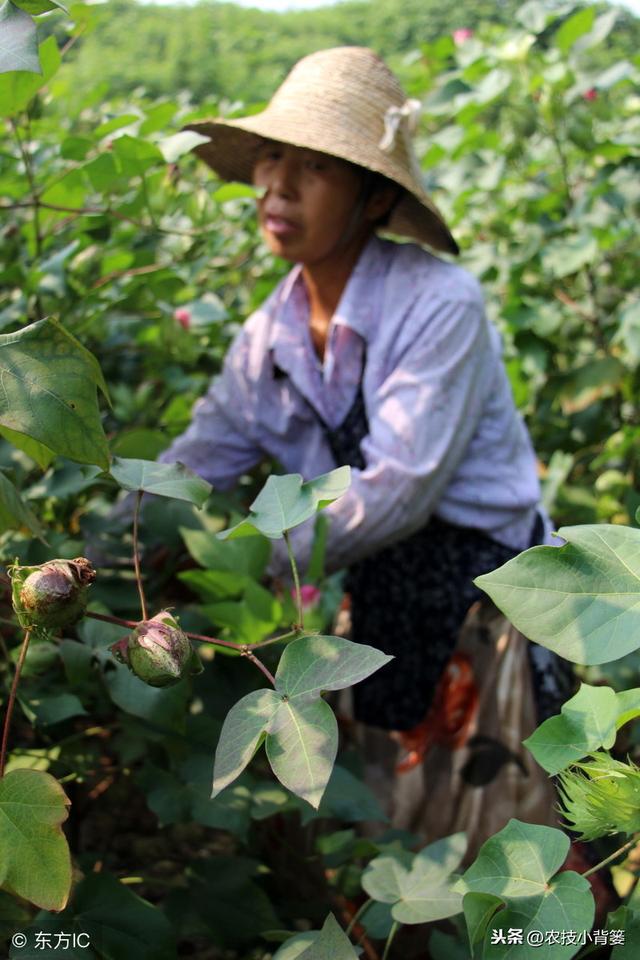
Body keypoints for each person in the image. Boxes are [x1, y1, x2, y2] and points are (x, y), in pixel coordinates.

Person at [162, 47, 573, 851]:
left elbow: (397, 491)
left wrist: (251, 566)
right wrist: (92, 561)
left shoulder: (436, 305)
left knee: (504, 853)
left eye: (314, 167)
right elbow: (190, 465)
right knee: (394, 839)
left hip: (487, 601)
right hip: (377, 599)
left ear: (376, 195)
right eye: (272, 157)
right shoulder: (266, 340)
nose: (278, 185)